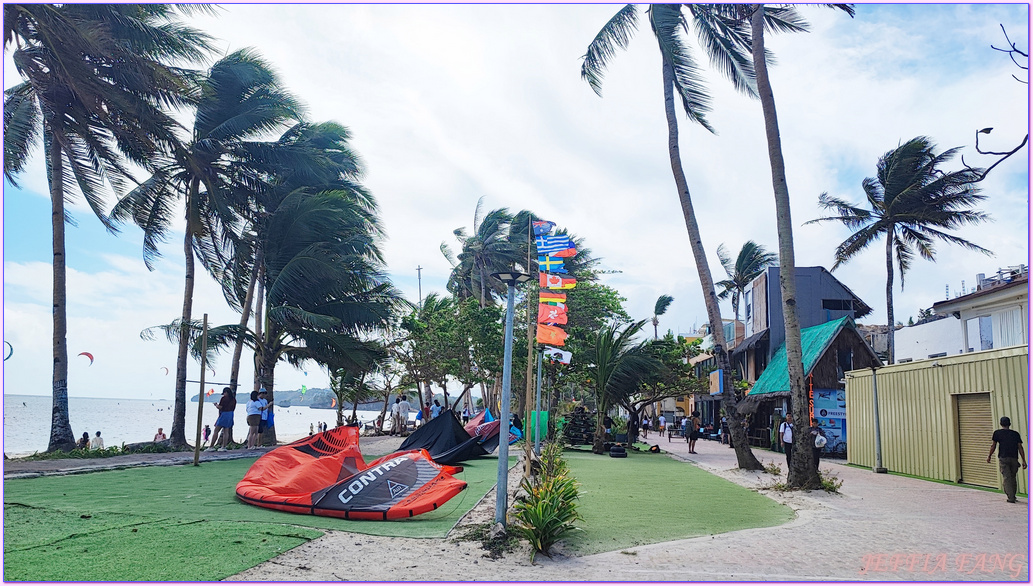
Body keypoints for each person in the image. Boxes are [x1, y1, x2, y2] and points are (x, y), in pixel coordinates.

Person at [987, 416, 1028, 503]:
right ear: (1009, 424)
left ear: (1001, 424)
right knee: (1012, 477)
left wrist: (989, 456)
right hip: (1014, 458)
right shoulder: (1015, 434)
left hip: (1003, 458)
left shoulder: (997, 433)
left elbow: (993, 446)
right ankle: (1013, 495)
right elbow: (1020, 447)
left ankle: (1011, 497)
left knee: (1007, 477)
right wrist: (1023, 460)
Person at [208, 388, 236, 453]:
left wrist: (216, 405)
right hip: (230, 414)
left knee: (216, 430)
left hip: (224, 414)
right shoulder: (233, 399)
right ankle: (224, 446)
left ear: (226, 392)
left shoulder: (224, 398)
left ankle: (211, 446)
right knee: (226, 431)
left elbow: (220, 407)